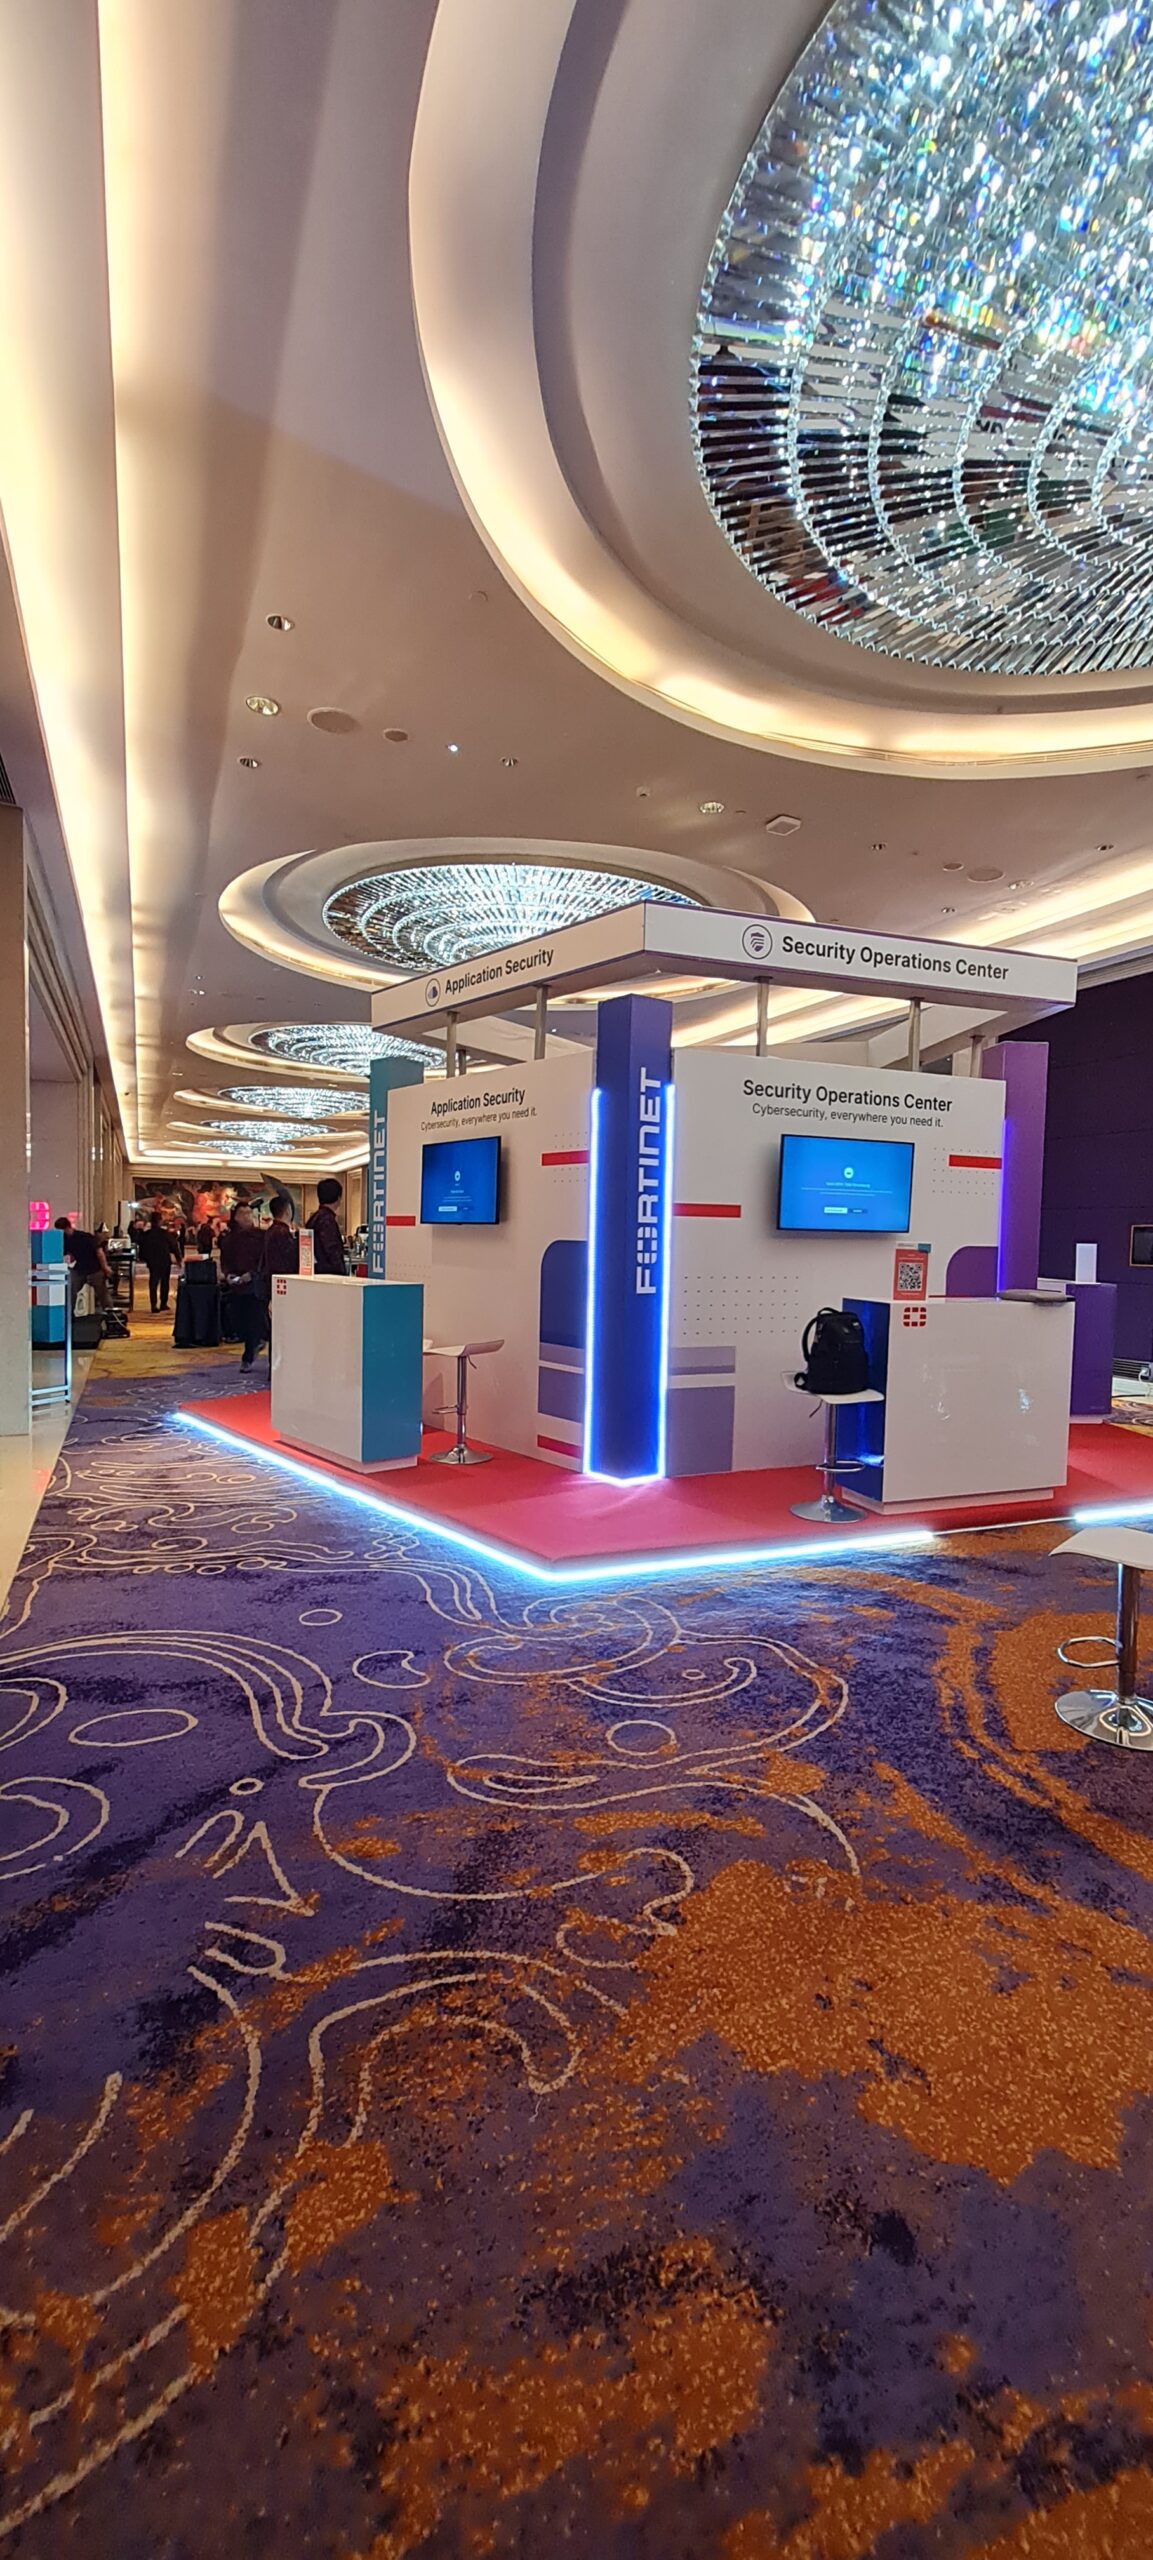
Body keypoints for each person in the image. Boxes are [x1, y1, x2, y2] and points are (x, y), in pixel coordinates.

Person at [220, 1202, 266, 1368]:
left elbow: (264, 1260)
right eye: (243, 1214)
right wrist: (227, 1274)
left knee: (254, 1318)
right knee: (238, 1320)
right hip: (236, 1284)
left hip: (255, 1284)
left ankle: (249, 1355)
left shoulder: (260, 1236)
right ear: (236, 1217)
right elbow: (225, 1260)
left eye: (249, 1213)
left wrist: (252, 1274)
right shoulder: (229, 1239)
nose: (247, 1217)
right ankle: (256, 1341)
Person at [54, 1216, 111, 1315]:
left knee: (102, 1294)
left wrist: (105, 1267)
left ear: (66, 1228)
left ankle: (111, 1314)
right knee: (71, 1291)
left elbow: (99, 1252)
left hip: (93, 1269)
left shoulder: (85, 1237)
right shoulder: (67, 1239)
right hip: (82, 1269)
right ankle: (69, 1315)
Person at [138, 1210, 179, 1313]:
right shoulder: (165, 1234)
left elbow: (141, 1245)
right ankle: (163, 1304)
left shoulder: (147, 1234)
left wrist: (144, 1258)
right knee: (165, 1282)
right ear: (160, 1221)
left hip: (153, 1261)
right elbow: (174, 1246)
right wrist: (179, 1259)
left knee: (153, 1282)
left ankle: (153, 1304)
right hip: (164, 1260)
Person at [307, 1177, 347, 1276]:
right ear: (338, 1198)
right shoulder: (328, 1220)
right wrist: (341, 1271)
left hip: (314, 1270)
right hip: (328, 1273)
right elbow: (331, 1249)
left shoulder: (314, 1218)